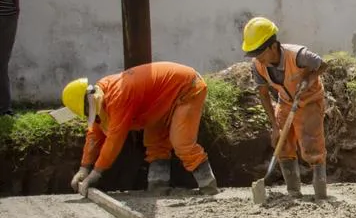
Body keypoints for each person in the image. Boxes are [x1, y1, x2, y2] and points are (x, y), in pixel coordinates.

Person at [61, 62, 219, 196]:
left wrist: (96, 173)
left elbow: (115, 139)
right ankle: (158, 187)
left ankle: (208, 185)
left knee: (182, 143)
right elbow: (95, 134)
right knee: (155, 143)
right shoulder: (100, 95)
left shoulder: (118, 96)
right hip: (163, 97)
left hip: (188, 87)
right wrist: (84, 168)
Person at [242, 17, 328, 199]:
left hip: (310, 101)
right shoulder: (258, 66)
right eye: (254, 54)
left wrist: (309, 79)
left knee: (312, 147)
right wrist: (275, 126)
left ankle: (320, 193)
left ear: (273, 46)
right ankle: (293, 192)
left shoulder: (298, 55)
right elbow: (264, 94)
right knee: (282, 144)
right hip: (286, 102)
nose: (257, 58)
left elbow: (322, 65)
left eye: (259, 53)